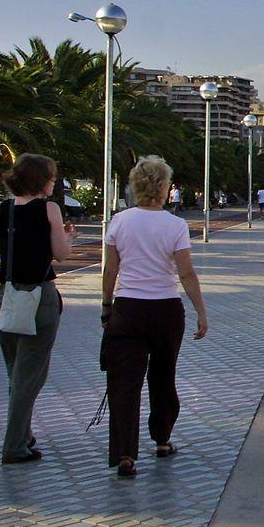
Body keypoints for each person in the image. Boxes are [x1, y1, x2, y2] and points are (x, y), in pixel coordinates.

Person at [100, 156, 208, 478]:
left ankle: (124, 454)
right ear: (164, 188)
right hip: (165, 310)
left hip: (127, 310)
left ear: (135, 186)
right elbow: (186, 273)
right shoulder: (175, 226)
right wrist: (201, 312)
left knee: (124, 384)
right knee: (163, 376)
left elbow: (110, 270)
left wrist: (107, 306)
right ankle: (162, 439)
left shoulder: (119, 222)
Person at [0, 154, 78, 464]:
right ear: (40, 180)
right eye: (52, 176)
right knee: (30, 376)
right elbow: (60, 254)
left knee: (16, 373)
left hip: (6, 296)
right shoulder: (50, 210)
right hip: (39, 297)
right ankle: (15, 446)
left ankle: (25, 435)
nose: (54, 181)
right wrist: (68, 238)